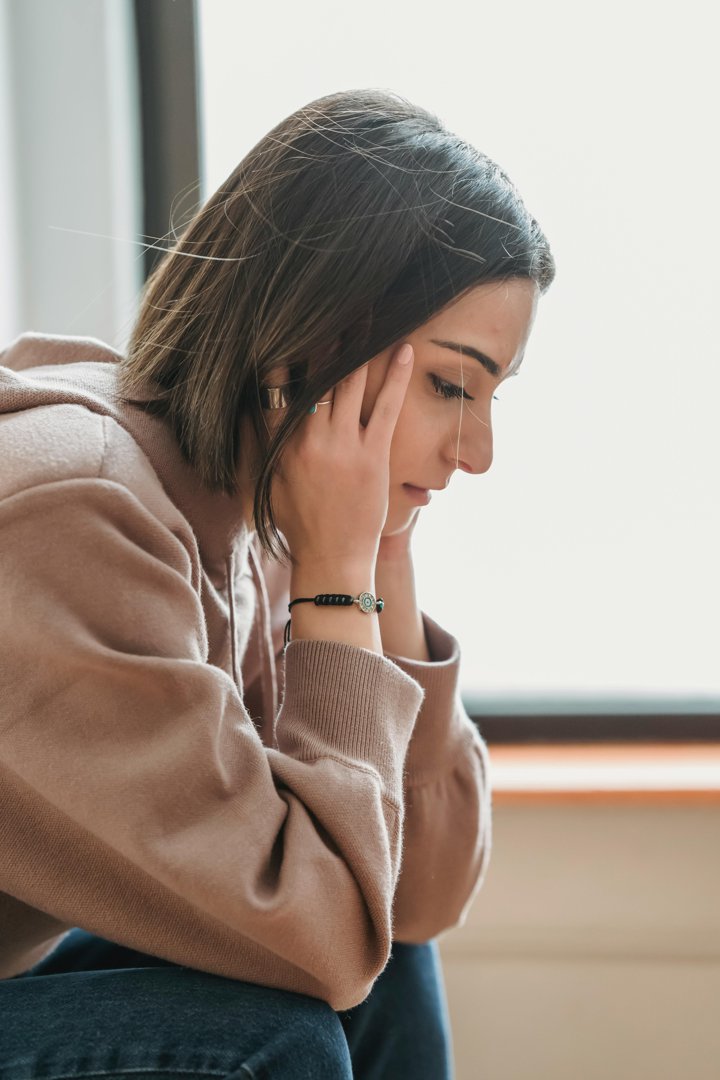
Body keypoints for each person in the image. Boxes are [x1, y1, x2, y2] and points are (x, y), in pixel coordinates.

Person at [0, 88, 555, 1078]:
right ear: (315, 343)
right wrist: (340, 578)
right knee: (277, 1035)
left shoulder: (248, 522)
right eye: (450, 386)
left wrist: (379, 557)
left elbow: (409, 900)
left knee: (374, 931)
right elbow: (326, 934)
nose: (478, 453)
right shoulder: (77, 512)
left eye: (490, 397)